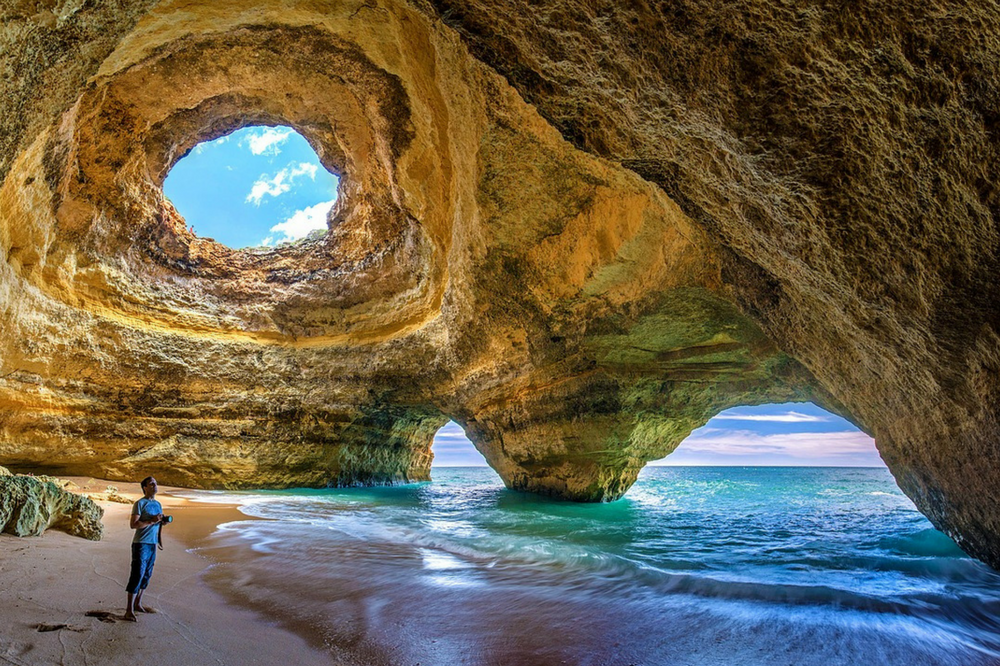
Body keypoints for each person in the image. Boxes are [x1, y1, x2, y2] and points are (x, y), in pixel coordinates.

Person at [124, 476, 164, 622]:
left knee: (147, 573)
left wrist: (161, 522)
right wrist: (151, 520)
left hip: (152, 543)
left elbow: (157, 524)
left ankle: (138, 603)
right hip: (141, 543)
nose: (155, 486)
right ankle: (128, 610)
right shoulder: (139, 503)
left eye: (156, 483)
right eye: (151, 484)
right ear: (145, 488)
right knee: (137, 574)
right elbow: (133, 524)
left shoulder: (158, 504)